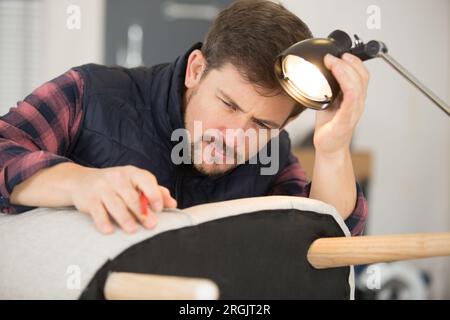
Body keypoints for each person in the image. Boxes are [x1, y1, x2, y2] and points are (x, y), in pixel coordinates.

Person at [0, 0, 368, 235]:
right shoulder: (89, 93)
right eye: (228, 103)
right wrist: (78, 183)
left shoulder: (274, 154)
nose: (236, 138)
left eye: (262, 125)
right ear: (196, 70)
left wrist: (333, 150)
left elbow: (326, 240)